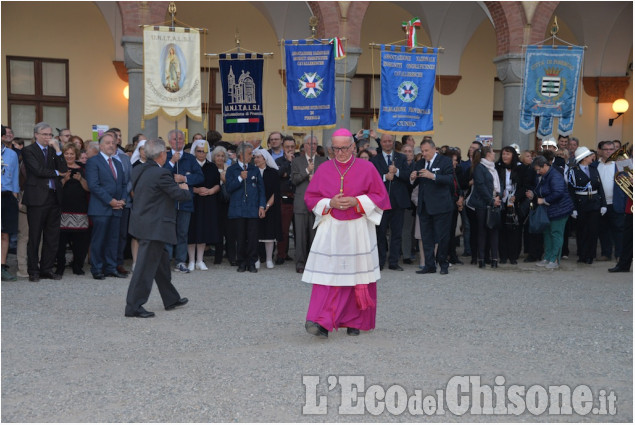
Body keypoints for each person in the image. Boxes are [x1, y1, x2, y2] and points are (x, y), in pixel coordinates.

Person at [303, 128, 390, 338]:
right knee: (328, 274)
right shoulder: (324, 169)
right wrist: (330, 202)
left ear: (353, 147)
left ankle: (355, 321)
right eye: (336, 148)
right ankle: (321, 322)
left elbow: (381, 196)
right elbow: (311, 198)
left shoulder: (367, 167)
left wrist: (357, 201)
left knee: (356, 274)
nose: (340, 152)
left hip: (357, 228)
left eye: (344, 148)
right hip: (332, 227)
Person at [125, 138, 191, 318]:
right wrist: (185, 189)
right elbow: (178, 194)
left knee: (161, 263)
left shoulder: (138, 169)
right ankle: (134, 306)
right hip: (154, 226)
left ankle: (170, 298)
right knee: (145, 269)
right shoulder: (160, 174)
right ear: (162, 154)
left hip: (143, 223)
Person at [22, 122, 68, 281]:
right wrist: (57, 172)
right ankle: (33, 270)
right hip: (36, 198)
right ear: (36, 135)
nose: (48, 137)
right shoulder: (28, 150)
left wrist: (58, 150)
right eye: (45, 134)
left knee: (52, 236)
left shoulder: (53, 150)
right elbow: (38, 170)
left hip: (54, 197)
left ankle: (47, 268)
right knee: (35, 236)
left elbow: (64, 168)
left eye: (50, 134)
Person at [85, 132, 127, 280]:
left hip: (117, 208)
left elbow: (122, 184)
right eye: (108, 143)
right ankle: (97, 269)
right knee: (99, 240)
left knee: (113, 240)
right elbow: (94, 185)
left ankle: (111, 267)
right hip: (101, 208)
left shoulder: (117, 163)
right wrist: (111, 201)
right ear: (101, 146)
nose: (111, 145)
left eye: (113, 143)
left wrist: (122, 200)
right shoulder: (93, 161)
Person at [410, 139, 455, 275]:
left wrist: (433, 176)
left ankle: (443, 264)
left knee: (442, 237)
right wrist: (412, 177)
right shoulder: (419, 163)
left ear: (434, 149)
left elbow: (449, 180)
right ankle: (429, 265)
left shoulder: (445, 161)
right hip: (424, 206)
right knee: (427, 237)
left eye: (426, 151)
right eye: (422, 151)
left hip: (441, 206)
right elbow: (414, 183)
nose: (424, 154)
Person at [163, 129, 204, 273]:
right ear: (169, 141)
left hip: (185, 201)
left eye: (180, 139)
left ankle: (180, 261)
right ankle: (166, 260)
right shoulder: (164, 157)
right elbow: (160, 175)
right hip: (168, 201)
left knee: (182, 232)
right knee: (168, 232)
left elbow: (200, 177)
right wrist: (172, 162)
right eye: (175, 139)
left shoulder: (190, 158)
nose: (178, 141)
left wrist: (185, 179)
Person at [370, 133, 411, 271]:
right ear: (380, 143)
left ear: (393, 142)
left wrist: (397, 171)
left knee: (396, 233)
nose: (387, 143)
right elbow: (371, 180)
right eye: (385, 141)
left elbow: (408, 176)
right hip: (381, 203)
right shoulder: (374, 160)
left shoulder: (401, 158)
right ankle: (380, 261)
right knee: (380, 233)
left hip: (398, 202)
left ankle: (393, 261)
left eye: (390, 141)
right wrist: (385, 177)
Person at [526, 155, 574, 269]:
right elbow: (542, 190)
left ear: (546, 165)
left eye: (539, 169)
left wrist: (544, 200)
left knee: (556, 234)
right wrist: (533, 195)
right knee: (547, 234)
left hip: (559, 210)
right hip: (550, 210)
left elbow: (558, 193)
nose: (538, 172)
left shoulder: (555, 175)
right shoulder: (546, 175)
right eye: (536, 170)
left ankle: (555, 259)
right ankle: (547, 258)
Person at [225, 142, 266, 273]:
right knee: (240, 237)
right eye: (249, 154)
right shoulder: (232, 170)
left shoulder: (254, 169)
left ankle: (252, 262)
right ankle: (241, 262)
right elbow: (229, 188)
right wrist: (239, 178)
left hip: (252, 208)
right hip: (238, 209)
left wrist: (261, 205)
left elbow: (261, 189)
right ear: (241, 155)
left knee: (253, 237)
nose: (252, 156)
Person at [291, 135, 327, 273]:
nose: (312, 146)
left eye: (315, 143)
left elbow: (327, 181)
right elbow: (294, 180)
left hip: (317, 203)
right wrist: (307, 172)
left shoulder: (323, 161)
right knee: (300, 236)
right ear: (304, 146)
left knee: (315, 235)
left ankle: (314, 263)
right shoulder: (297, 161)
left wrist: (315, 178)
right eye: (309, 143)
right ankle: (300, 263)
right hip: (301, 202)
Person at [567, 146, 606, 264]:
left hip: (594, 203)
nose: (592, 157)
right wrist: (572, 208)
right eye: (589, 156)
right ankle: (582, 255)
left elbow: (600, 187)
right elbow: (571, 191)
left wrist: (603, 204)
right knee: (582, 231)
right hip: (581, 204)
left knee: (593, 231)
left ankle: (591, 255)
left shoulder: (594, 169)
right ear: (584, 158)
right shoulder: (573, 171)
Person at [55, 143, 90, 276]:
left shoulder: (83, 169)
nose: (69, 156)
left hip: (80, 209)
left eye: (72, 154)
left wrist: (80, 179)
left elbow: (89, 189)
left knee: (80, 242)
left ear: (76, 155)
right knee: (61, 241)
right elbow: (54, 189)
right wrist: (64, 180)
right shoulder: (59, 168)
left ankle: (77, 266)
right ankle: (60, 266)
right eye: (66, 153)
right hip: (62, 209)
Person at [187, 140, 220, 271]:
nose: (202, 154)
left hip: (208, 202)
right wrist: (196, 190)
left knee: (203, 230)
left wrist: (211, 191)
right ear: (194, 152)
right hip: (192, 200)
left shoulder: (212, 167)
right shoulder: (189, 165)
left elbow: (217, 184)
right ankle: (191, 260)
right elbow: (184, 183)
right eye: (199, 151)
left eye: (204, 151)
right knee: (192, 230)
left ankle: (200, 260)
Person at [468, 146, 501, 268]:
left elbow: (498, 184)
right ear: (488, 154)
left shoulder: (493, 168)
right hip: (482, 204)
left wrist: (498, 196)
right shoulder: (479, 168)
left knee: (494, 231)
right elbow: (481, 187)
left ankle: (494, 259)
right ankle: (481, 259)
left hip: (494, 203)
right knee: (482, 231)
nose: (494, 154)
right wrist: (491, 200)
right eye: (493, 152)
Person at [596, 140, 625, 262]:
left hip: (616, 202)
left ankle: (620, 254)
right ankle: (606, 253)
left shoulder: (622, 164)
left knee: (619, 230)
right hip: (601, 204)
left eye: (611, 149)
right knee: (603, 230)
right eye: (606, 149)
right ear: (601, 151)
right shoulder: (595, 165)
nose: (608, 152)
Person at [495, 146, 525, 264]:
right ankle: (502, 256)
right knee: (502, 229)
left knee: (514, 230)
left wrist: (516, 196)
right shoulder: (497, 167)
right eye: (503, 154)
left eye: (507, 154)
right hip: (501, 201)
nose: (505, 156)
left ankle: (513, 256)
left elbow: (524, 185)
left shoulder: (520, 168)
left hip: (514, 202)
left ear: (513, 156)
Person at [253, 149, 282, 269]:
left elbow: (276, 193)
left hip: (270, 207)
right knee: (255, 234)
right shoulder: (252, 172)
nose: (256, 159)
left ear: (265, 159)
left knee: (269, 234)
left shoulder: (273, 173)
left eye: (259, 157)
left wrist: (266, 207)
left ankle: (269, 259)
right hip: (254, 207)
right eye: (255, 157)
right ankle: (256, 258)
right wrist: (258, 207)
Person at [274, 136, 297, 265]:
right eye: (287, 147)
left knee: (299, 230)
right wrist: (288, 162)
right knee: (283, 228)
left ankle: (299, 255)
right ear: (283, 147)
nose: (290, 149)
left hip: (297, 197)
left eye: (292, 147)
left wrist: (286, 174)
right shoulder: (278, 161)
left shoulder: (299, 159)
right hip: (284, 198)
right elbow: (278, 175)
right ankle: (281, 254)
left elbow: (295, 175)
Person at [1, 126, 20, 281]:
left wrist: (15, 197)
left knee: (4, 233)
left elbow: (15, 177)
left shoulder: (11, 154)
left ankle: (2, 266)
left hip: (6, 196)